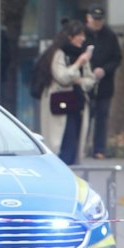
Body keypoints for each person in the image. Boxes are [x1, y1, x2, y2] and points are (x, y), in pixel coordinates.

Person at [38, 20, 99, 165]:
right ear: (70, 37)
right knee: (61, 138)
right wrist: (78, 64)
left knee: (74, 137)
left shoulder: (82, 55)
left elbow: (90, 80)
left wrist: (79, 80)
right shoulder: (58, 54)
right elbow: (62, 77)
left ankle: (71, 163)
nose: (83, 39)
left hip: (77, 103)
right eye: (79, 35)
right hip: (60, 102)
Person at [83, 6, 123, 159]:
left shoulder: (110, 35)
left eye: (100, 20)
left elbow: (117, 58)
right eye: (94, 19)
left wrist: (104, 70)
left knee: (102, 117)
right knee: (85, 116)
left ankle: (99, 149)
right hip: (85, 84)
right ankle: (82, 146)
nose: (97, 22)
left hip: (104, 84)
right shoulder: (81, 34)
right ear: (88, 18)